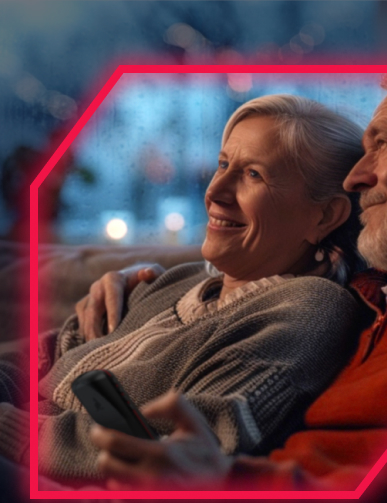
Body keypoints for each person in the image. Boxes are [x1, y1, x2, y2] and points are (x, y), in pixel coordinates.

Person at [70, 54, 387, 503]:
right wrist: (150, 287)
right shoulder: (377, 294)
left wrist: (228, 489)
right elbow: (262, 262)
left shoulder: (337, 310)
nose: (357, 178)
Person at [0, 94, 366, 483]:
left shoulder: (307, 309)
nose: (215, 191)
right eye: (223, 164)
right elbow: (45, 352)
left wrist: (11, 428)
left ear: (325, 215)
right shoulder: (178, 281)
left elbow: (181, 452)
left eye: (253, 174)